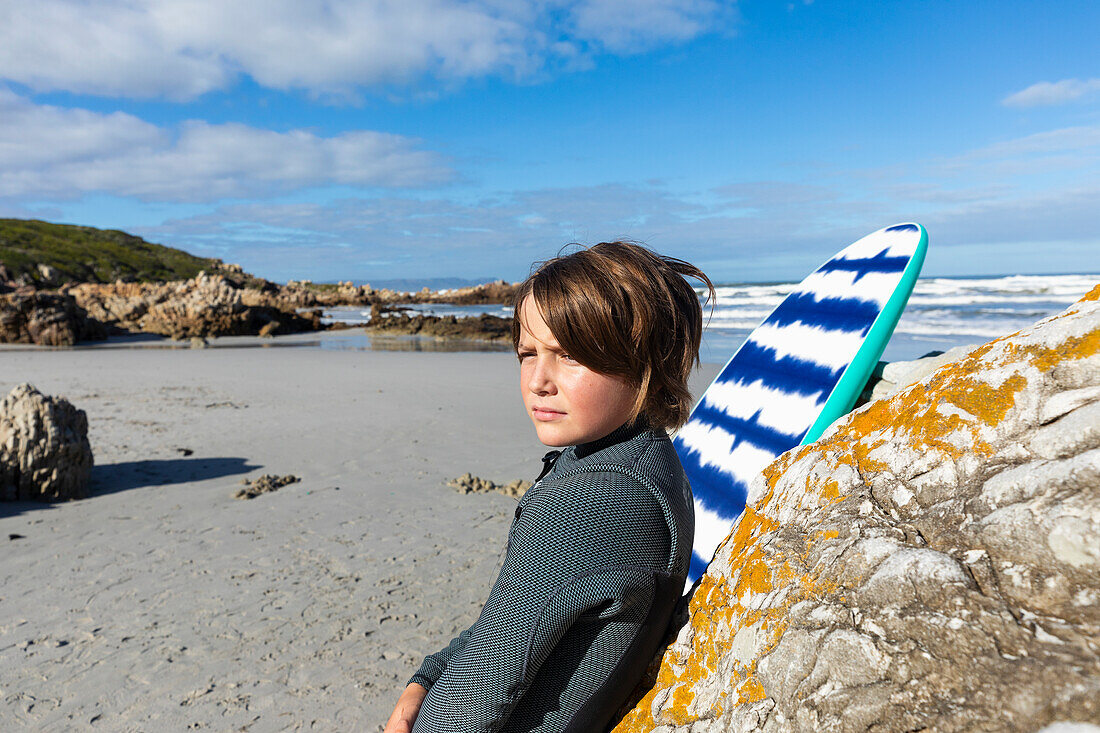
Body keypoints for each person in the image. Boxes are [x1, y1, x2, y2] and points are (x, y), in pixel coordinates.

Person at [384, 241, 713, 733]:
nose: (538, 380)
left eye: (568, 356)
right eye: (527, 353)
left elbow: (479, 693)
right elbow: (508, 620)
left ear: (645, 359)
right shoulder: (645, 462)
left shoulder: (590, 502)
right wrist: (427, 675)